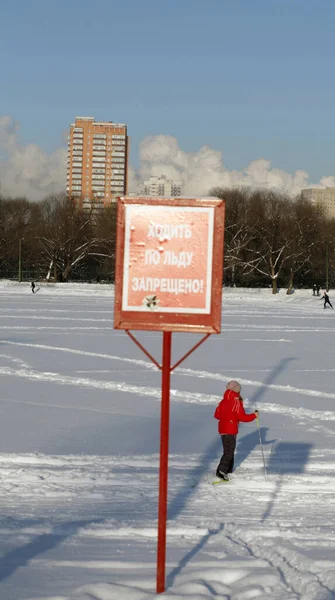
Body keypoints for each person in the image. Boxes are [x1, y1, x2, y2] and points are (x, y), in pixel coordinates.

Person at [214, 380, 258, 481]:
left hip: (222, 429)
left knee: (228, 450)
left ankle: (228, 469)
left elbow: (217, 415)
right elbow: (242, 417)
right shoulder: (236, 402)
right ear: (237, 390)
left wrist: (226, 415)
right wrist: (254, 416)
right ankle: (221, 471)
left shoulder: (223, 401)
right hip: (230, 429)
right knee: (229, 451)